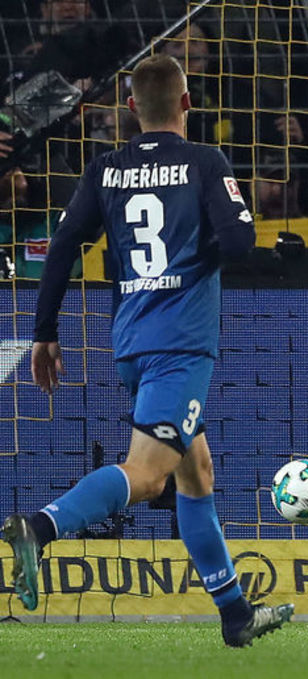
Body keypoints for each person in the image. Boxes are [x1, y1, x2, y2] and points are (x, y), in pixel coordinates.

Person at [0, 54, 293, 647]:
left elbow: (63, 245)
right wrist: (264, 255)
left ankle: (235, 614)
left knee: (196, 472)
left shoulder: (105, 169)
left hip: (132, 340)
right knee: (151, 477)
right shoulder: (205, 162)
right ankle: (40, 527)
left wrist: (44, 331)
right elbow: (238, 241)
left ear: (131, 108)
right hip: (181, 345)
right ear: (187, 102)